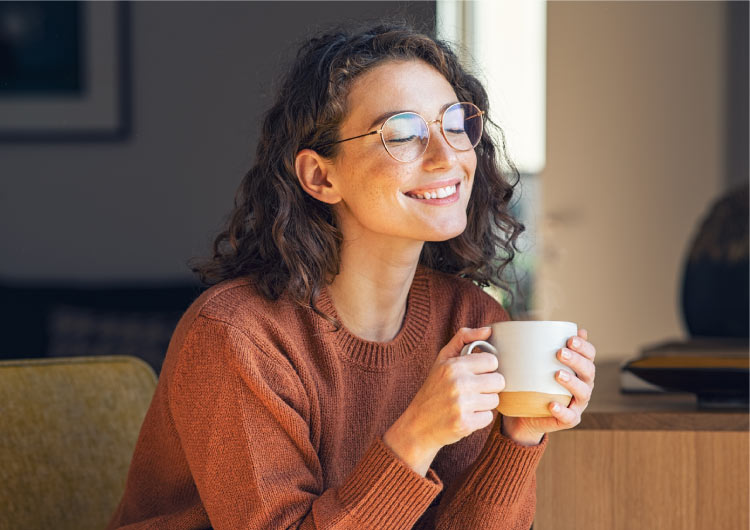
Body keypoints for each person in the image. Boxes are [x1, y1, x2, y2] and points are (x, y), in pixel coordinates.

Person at [107, 22, 596, 530]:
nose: (447, 155)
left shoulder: (470, 319)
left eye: (455, 124)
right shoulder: (237, 338)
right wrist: (415, 437)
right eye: (403, 134)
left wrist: (518, 437)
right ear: (321, 176)